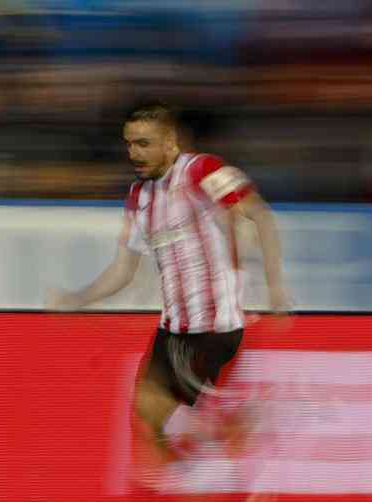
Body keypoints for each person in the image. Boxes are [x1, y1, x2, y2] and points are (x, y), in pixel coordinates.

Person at [47, 101, 290, 478]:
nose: (134, 153)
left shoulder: (201, 170)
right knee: (147, 409)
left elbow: (259, 214)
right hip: (174, 325)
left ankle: (210, 452)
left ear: (170, 143)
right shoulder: (139, 197)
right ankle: (216, 442)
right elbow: (123, 270)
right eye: (129, 144)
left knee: (154, 406)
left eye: (144, 144)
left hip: (212, 324)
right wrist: (79, 299)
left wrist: (276, 290)